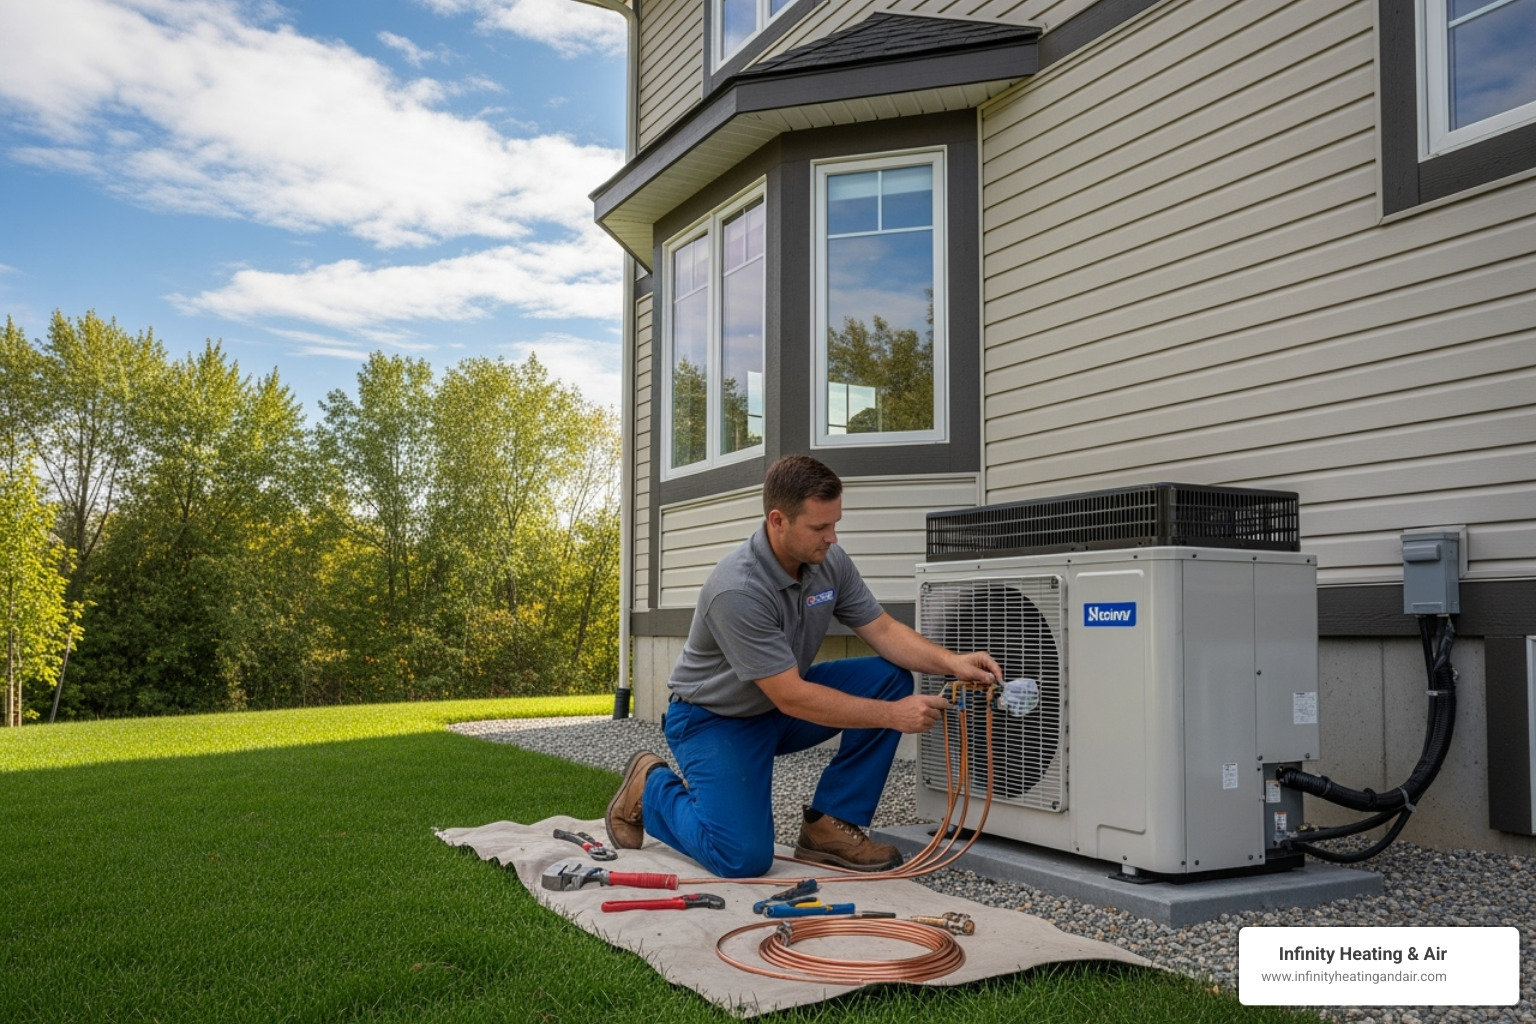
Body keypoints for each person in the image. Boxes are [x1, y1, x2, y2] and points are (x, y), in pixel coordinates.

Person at [605, 454, 1002, 879]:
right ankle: (652, 789)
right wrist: (894, 716)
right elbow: (792, 696)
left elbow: (883, 630)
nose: (832, 538)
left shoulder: (827, 561)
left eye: (835, 524)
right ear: (778, 521)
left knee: (888, 679)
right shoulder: (737, 589)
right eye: (819, 527)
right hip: (714, 720)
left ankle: (829, 826)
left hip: (776, 707)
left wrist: (951, 662)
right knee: (742, 858)